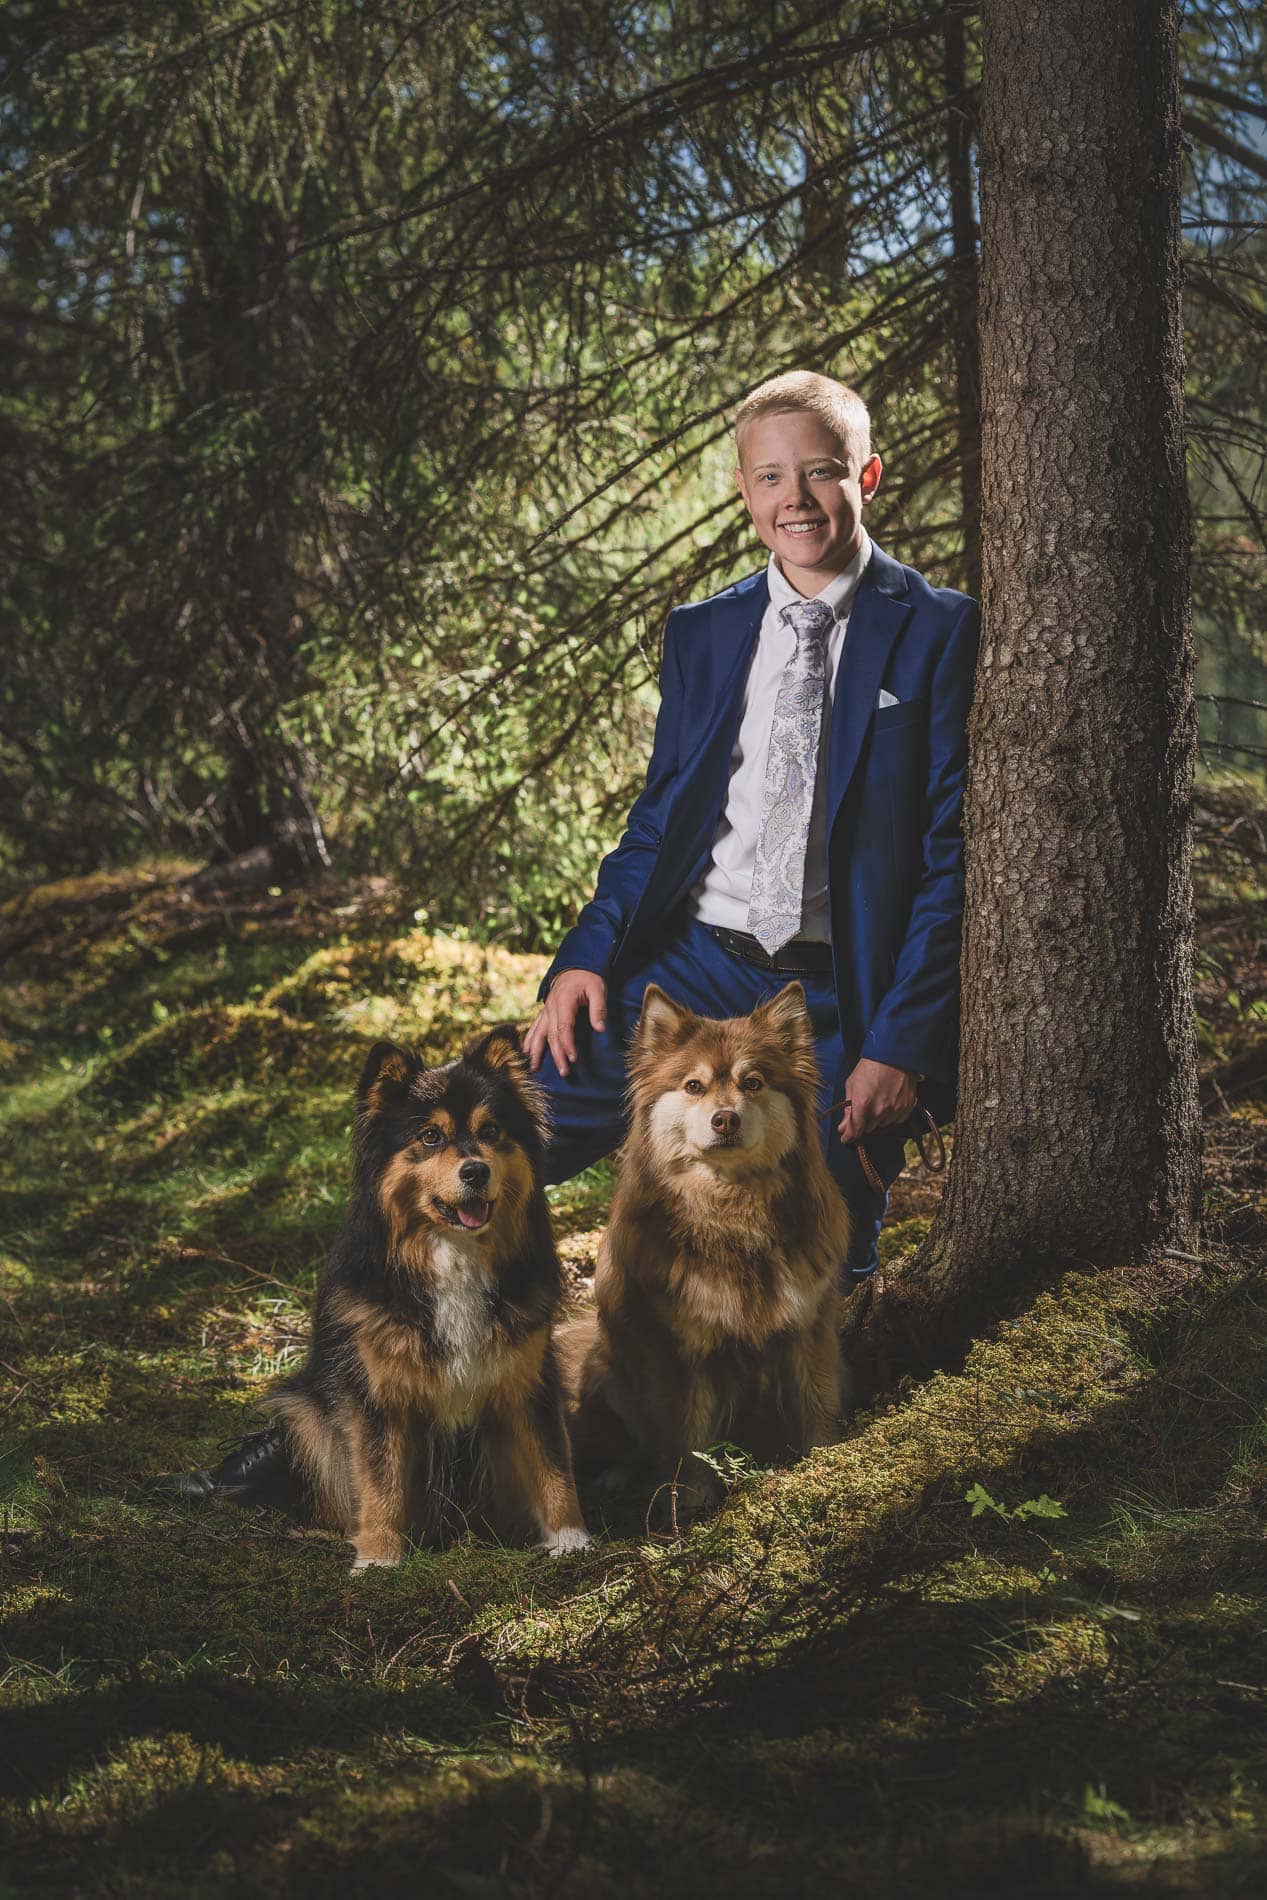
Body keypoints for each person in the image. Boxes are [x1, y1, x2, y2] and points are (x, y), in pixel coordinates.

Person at [523, 370, 979, 1282]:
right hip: (692, 967)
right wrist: (583, 956)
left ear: (868, 475)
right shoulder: (705, 630)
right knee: (480, 1137)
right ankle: (362, 1393)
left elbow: (951, 860)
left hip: (836, 999)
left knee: (823, 1257)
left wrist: (898, 1043)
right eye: (769, 478)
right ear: (743, 491)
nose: (795, 500)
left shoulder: (938, 629)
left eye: (820, 472)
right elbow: (659, 818)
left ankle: (791, 1422)